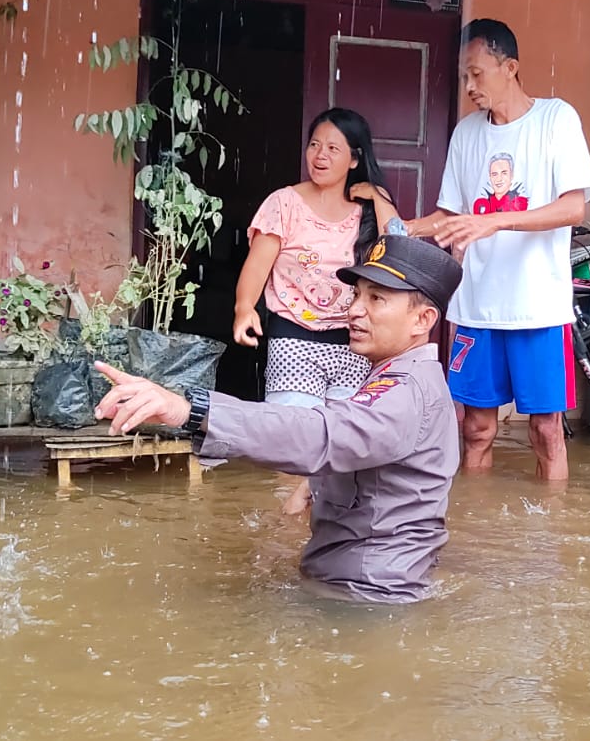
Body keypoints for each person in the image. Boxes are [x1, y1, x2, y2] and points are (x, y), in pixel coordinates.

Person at [94, 234, 464, 605]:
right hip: (364, 585)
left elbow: (321, 434)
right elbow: (357, 448)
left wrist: (193, 411)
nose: (354, 310)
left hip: (366, 598)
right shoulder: (402, 379)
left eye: (376, 298)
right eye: (356, 295)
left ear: (423, 319)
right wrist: (313, 484)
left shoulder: (404, 393)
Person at [406, 18, 590, 482]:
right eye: (464, 76)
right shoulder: (467, 133)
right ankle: (475, 534)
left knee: (546, 432)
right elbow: (450, 217)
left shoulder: (556, 119)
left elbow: (573, 209)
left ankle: (549, 541)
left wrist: (495, 220)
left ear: (510, 67)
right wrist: (404, 228)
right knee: (474, 428)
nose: (469, 86)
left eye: (477, 73)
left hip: (538, 308)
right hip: (475, 307)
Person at [231, 108, 401, 513]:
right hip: (294, 340)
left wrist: (378, 197)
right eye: (314, 145)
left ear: (355, 159)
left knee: (344, 456)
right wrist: (243, 309)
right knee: (294, 452)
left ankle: (326, 546)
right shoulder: (284, 203)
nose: (319, 156)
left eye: (332, 149)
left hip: (354, 346)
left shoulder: (370, 209)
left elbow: (399, 249)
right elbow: (257, 265)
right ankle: (285, 548)